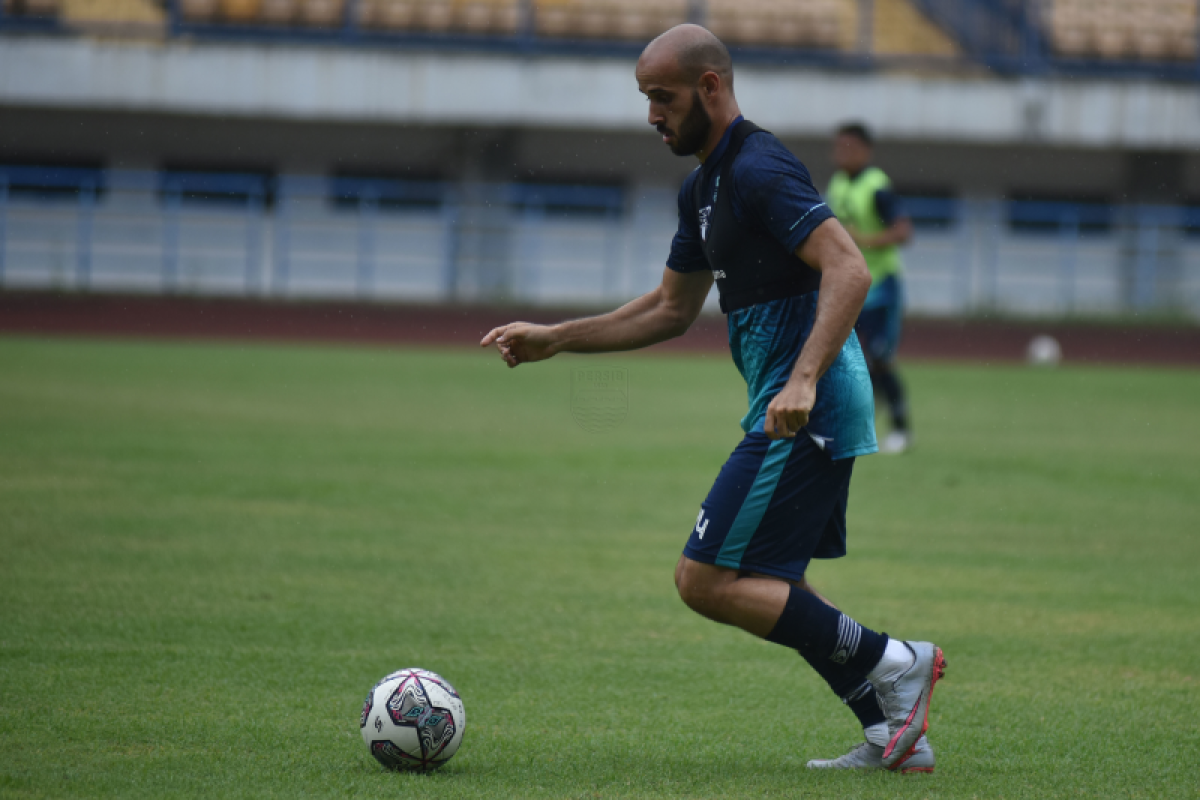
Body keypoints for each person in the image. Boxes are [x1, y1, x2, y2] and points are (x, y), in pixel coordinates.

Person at [481, 25, 945, 773]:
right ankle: (894, 736)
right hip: (789, 403)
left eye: (661, 98)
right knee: (771, 585)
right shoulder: (701, 188)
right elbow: (668, 308)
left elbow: (850, 269)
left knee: (701, 579)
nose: (652, 115)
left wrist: (802, 379)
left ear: (709, 87)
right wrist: (556, 337)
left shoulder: (759, 166)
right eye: (644, 100)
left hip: (807, 409)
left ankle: (898, 660)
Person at [826, 123, 915, 454]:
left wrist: (865, 241)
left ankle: (902, 429)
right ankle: (857, 425)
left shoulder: (877, 187)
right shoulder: (836, 185)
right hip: (850, 288)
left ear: (865, 150)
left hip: (881, 288)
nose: (841, 153)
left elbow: (904, 232)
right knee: (849, 359)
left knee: (880, 357)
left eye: (848, 146)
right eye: (837, 147)